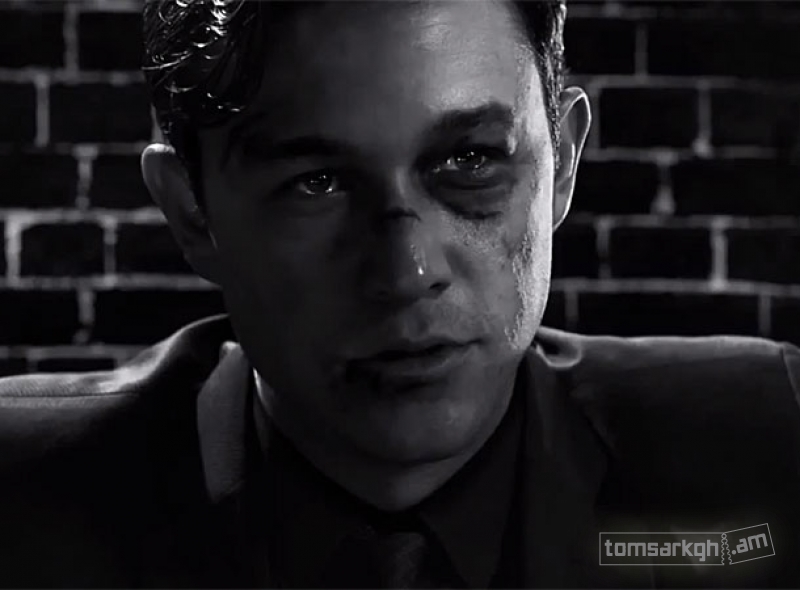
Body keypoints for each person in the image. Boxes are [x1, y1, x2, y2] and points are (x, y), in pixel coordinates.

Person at [1, 0, 800, 588]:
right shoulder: (24, 507)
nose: (406, 272)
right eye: (316, 182)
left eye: (470, 161)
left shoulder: (768, 446)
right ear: (191, 213)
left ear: (562, 161)